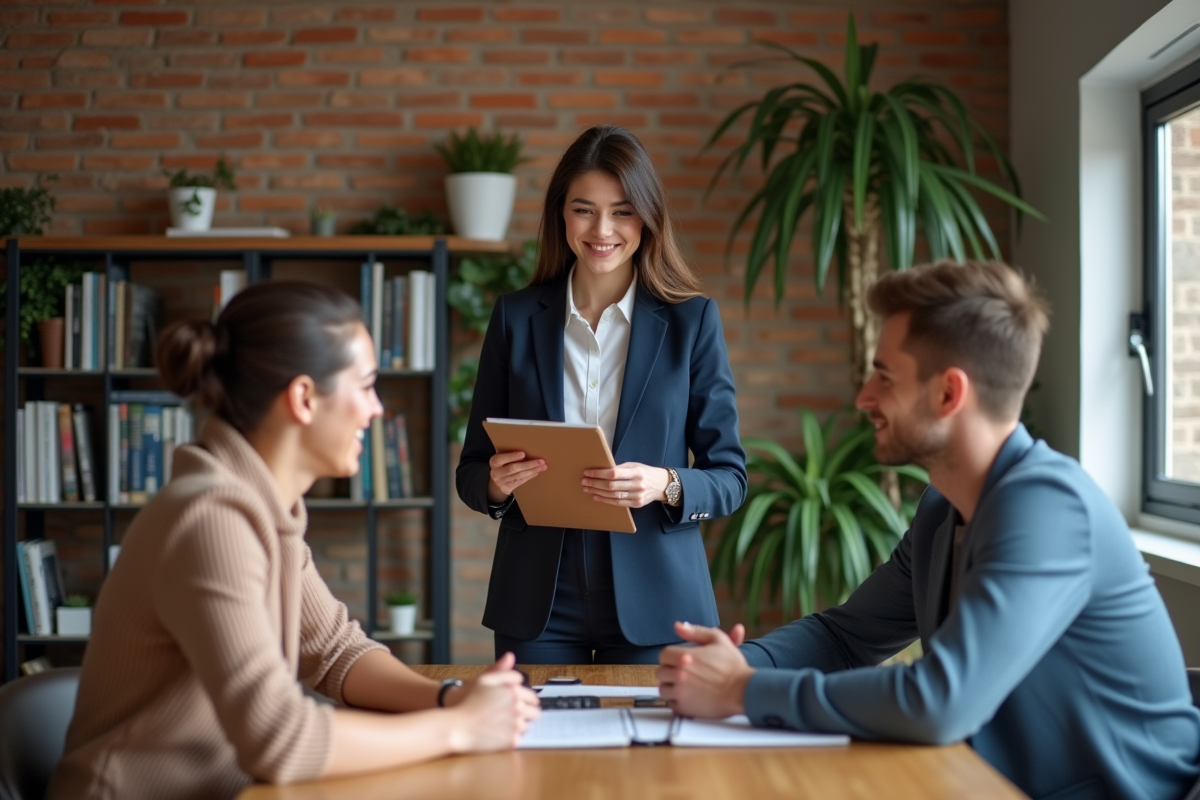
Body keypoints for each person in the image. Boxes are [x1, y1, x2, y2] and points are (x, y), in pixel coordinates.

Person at [656, 261, 1200, 800]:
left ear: (948, 394)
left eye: (884, 376)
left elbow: (942, 701)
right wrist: (729, 666)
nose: (864, 397)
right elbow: (845, 637)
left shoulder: (1049, 507)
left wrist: (740, 689)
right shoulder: (944, 509)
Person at [49, 281, 540, 800]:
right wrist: (459, 729)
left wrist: (448, 699)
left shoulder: (262, 506)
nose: (376, 409)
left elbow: (333, 651)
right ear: (304, 398)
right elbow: (280, 739)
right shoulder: (211, 519)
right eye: (366, 385)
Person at [456, 125, 747, 665]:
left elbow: (730, 479)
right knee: (532, 749)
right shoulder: (515, 318)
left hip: (659, 602)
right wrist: (495, 485)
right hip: (537, 602)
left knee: (649, 749)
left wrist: (666, 483)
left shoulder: (692, 322)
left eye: (623, 211)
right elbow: (471, 472)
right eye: (584, 210)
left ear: (648, 218)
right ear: (560, 215)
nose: (603, 230)